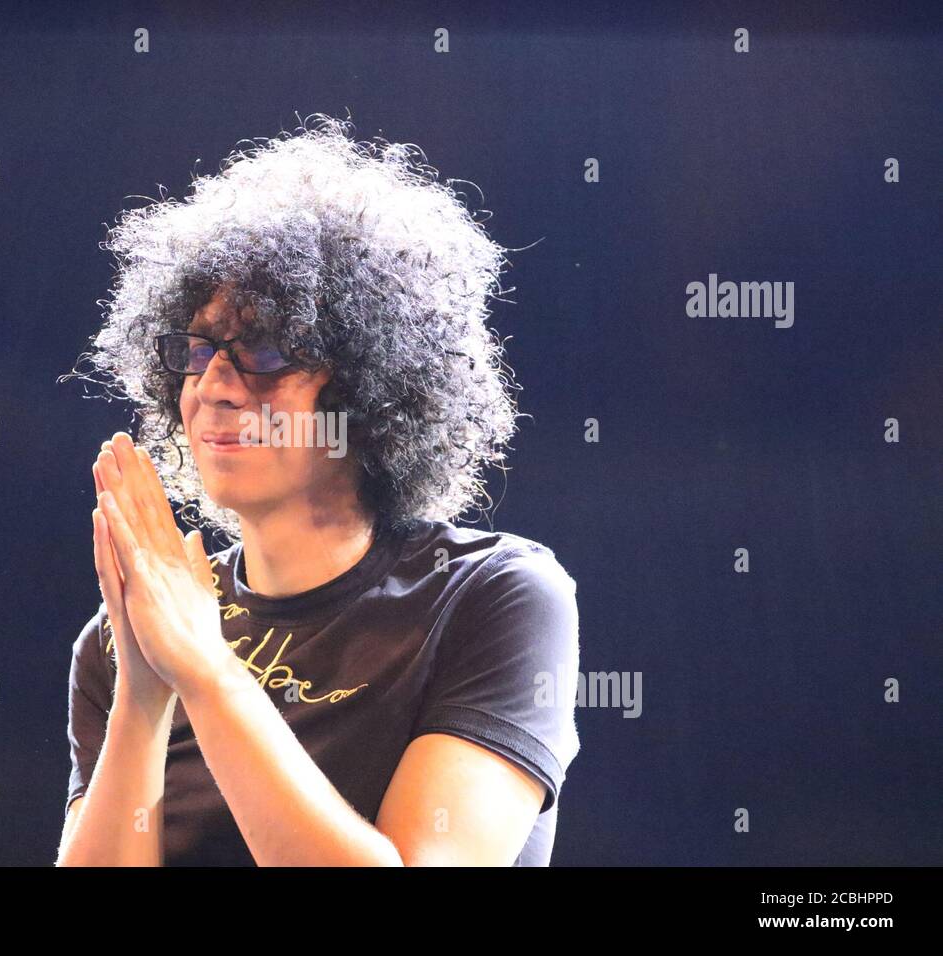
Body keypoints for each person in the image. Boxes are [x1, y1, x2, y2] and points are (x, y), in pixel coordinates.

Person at [54, 114, 580, 866]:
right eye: (197, 350)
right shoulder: (125, 640)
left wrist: (205, 673)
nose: (214, 387)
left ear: (368, 395)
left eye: (264, 351)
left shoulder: (492, 597)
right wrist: (143, 696)